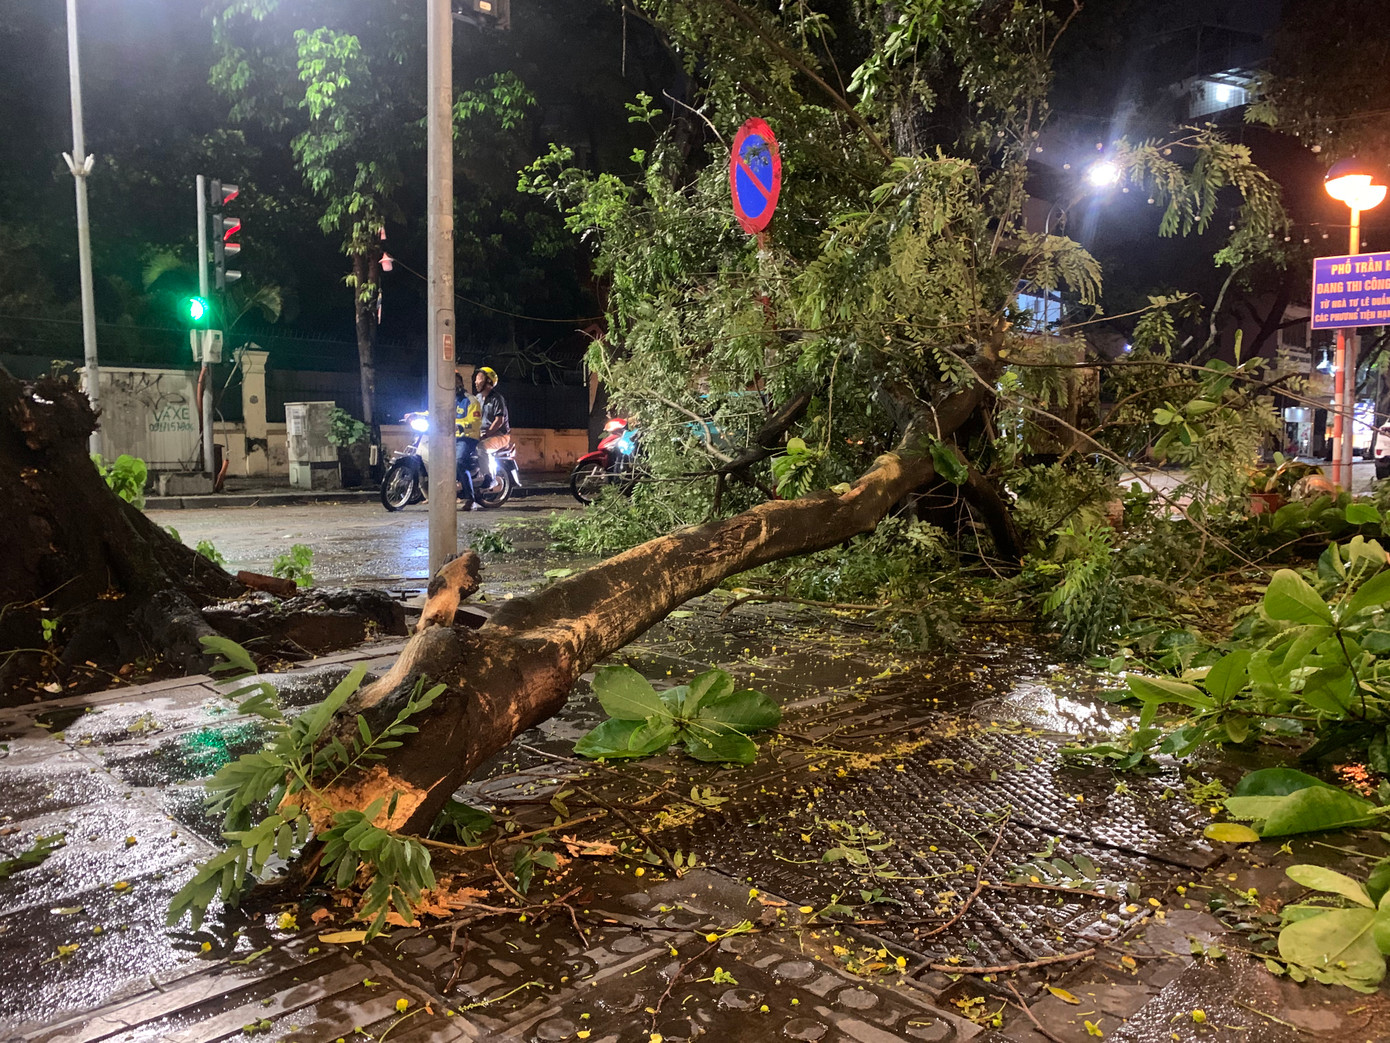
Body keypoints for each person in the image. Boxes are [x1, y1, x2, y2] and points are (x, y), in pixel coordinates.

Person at [473, 365, 511, 489]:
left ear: (488, 381)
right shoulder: (477, 399)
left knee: (481, 448)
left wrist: (487, 433)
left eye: (479, 378)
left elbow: (499, 420)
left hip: (500, 435)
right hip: (482, 434)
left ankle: (490, 478)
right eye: (476, 378)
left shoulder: (497, 399)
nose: (476, 381)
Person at [454, 368, 484, 510]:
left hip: (467, 437)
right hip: (449, 437)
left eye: (455, 380)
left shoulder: (471, 401)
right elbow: (432, 412)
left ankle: (470, 498)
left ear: (460, 382)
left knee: (459, 461)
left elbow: (476, 422)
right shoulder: (446, 401)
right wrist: (415, 414)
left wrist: (461, 427)